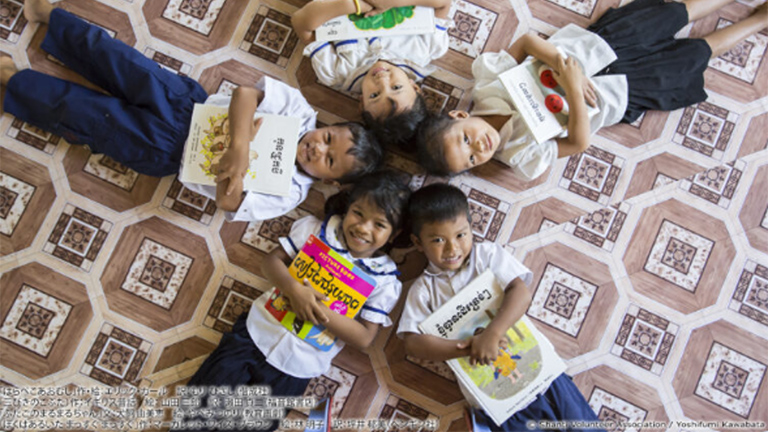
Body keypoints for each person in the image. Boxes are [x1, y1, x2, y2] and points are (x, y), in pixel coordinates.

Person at [1, 0, 383, 222]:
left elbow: (229, 203)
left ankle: (13, 80)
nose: (318, 148)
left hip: (162, 151)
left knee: (79, 114)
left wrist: (232, 172)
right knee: (112, 56)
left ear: (330, 181)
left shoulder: (289, 194)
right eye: (328, 138)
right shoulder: (298, 114)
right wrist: (239, 144)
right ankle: (50, 16)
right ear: (328, 126)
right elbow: (246, 94)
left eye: (329, 160)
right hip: (186, 102)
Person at [415, 0, 768, 179]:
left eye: (465, 140)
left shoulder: (488, 83)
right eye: (473, 160)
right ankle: (759, 20)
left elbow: (525, 41)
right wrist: (573, 90)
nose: (480, 147)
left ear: (459, 116)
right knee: (697, 53)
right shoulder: (520, 156)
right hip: (620, 92)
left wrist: (558, 62)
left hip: (599, 45)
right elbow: (577, 143)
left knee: (676, 12)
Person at [178, 171, 411, 431]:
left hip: (295, 369)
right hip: (253, 336)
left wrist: (317, 308)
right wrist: (294, 290)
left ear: (394, 234)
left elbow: (365, 338)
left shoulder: (385, 281)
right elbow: (271, 262)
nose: (364, 228)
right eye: (358, 213)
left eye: (379, 225)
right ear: (347, 208)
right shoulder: (316, 230)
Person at [397, 183, 603, 431]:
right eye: (438, 240)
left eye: (461, 235)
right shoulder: (423, 289)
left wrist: (493, 333)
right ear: (418, 243)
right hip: (495, 398)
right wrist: (466, 349)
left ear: (471, 229)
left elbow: (520, 292)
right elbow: (413, 342)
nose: (453, 248)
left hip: (545, 377)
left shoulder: (487, 255)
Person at [291, 0, 453, 149]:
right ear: (415, 87)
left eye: (374, 95)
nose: (382, 81)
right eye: (396, 87)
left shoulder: (337, 73)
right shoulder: (426, 49)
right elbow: (443, 4)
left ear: (362, 103)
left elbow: (300, 22)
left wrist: (354, 5)